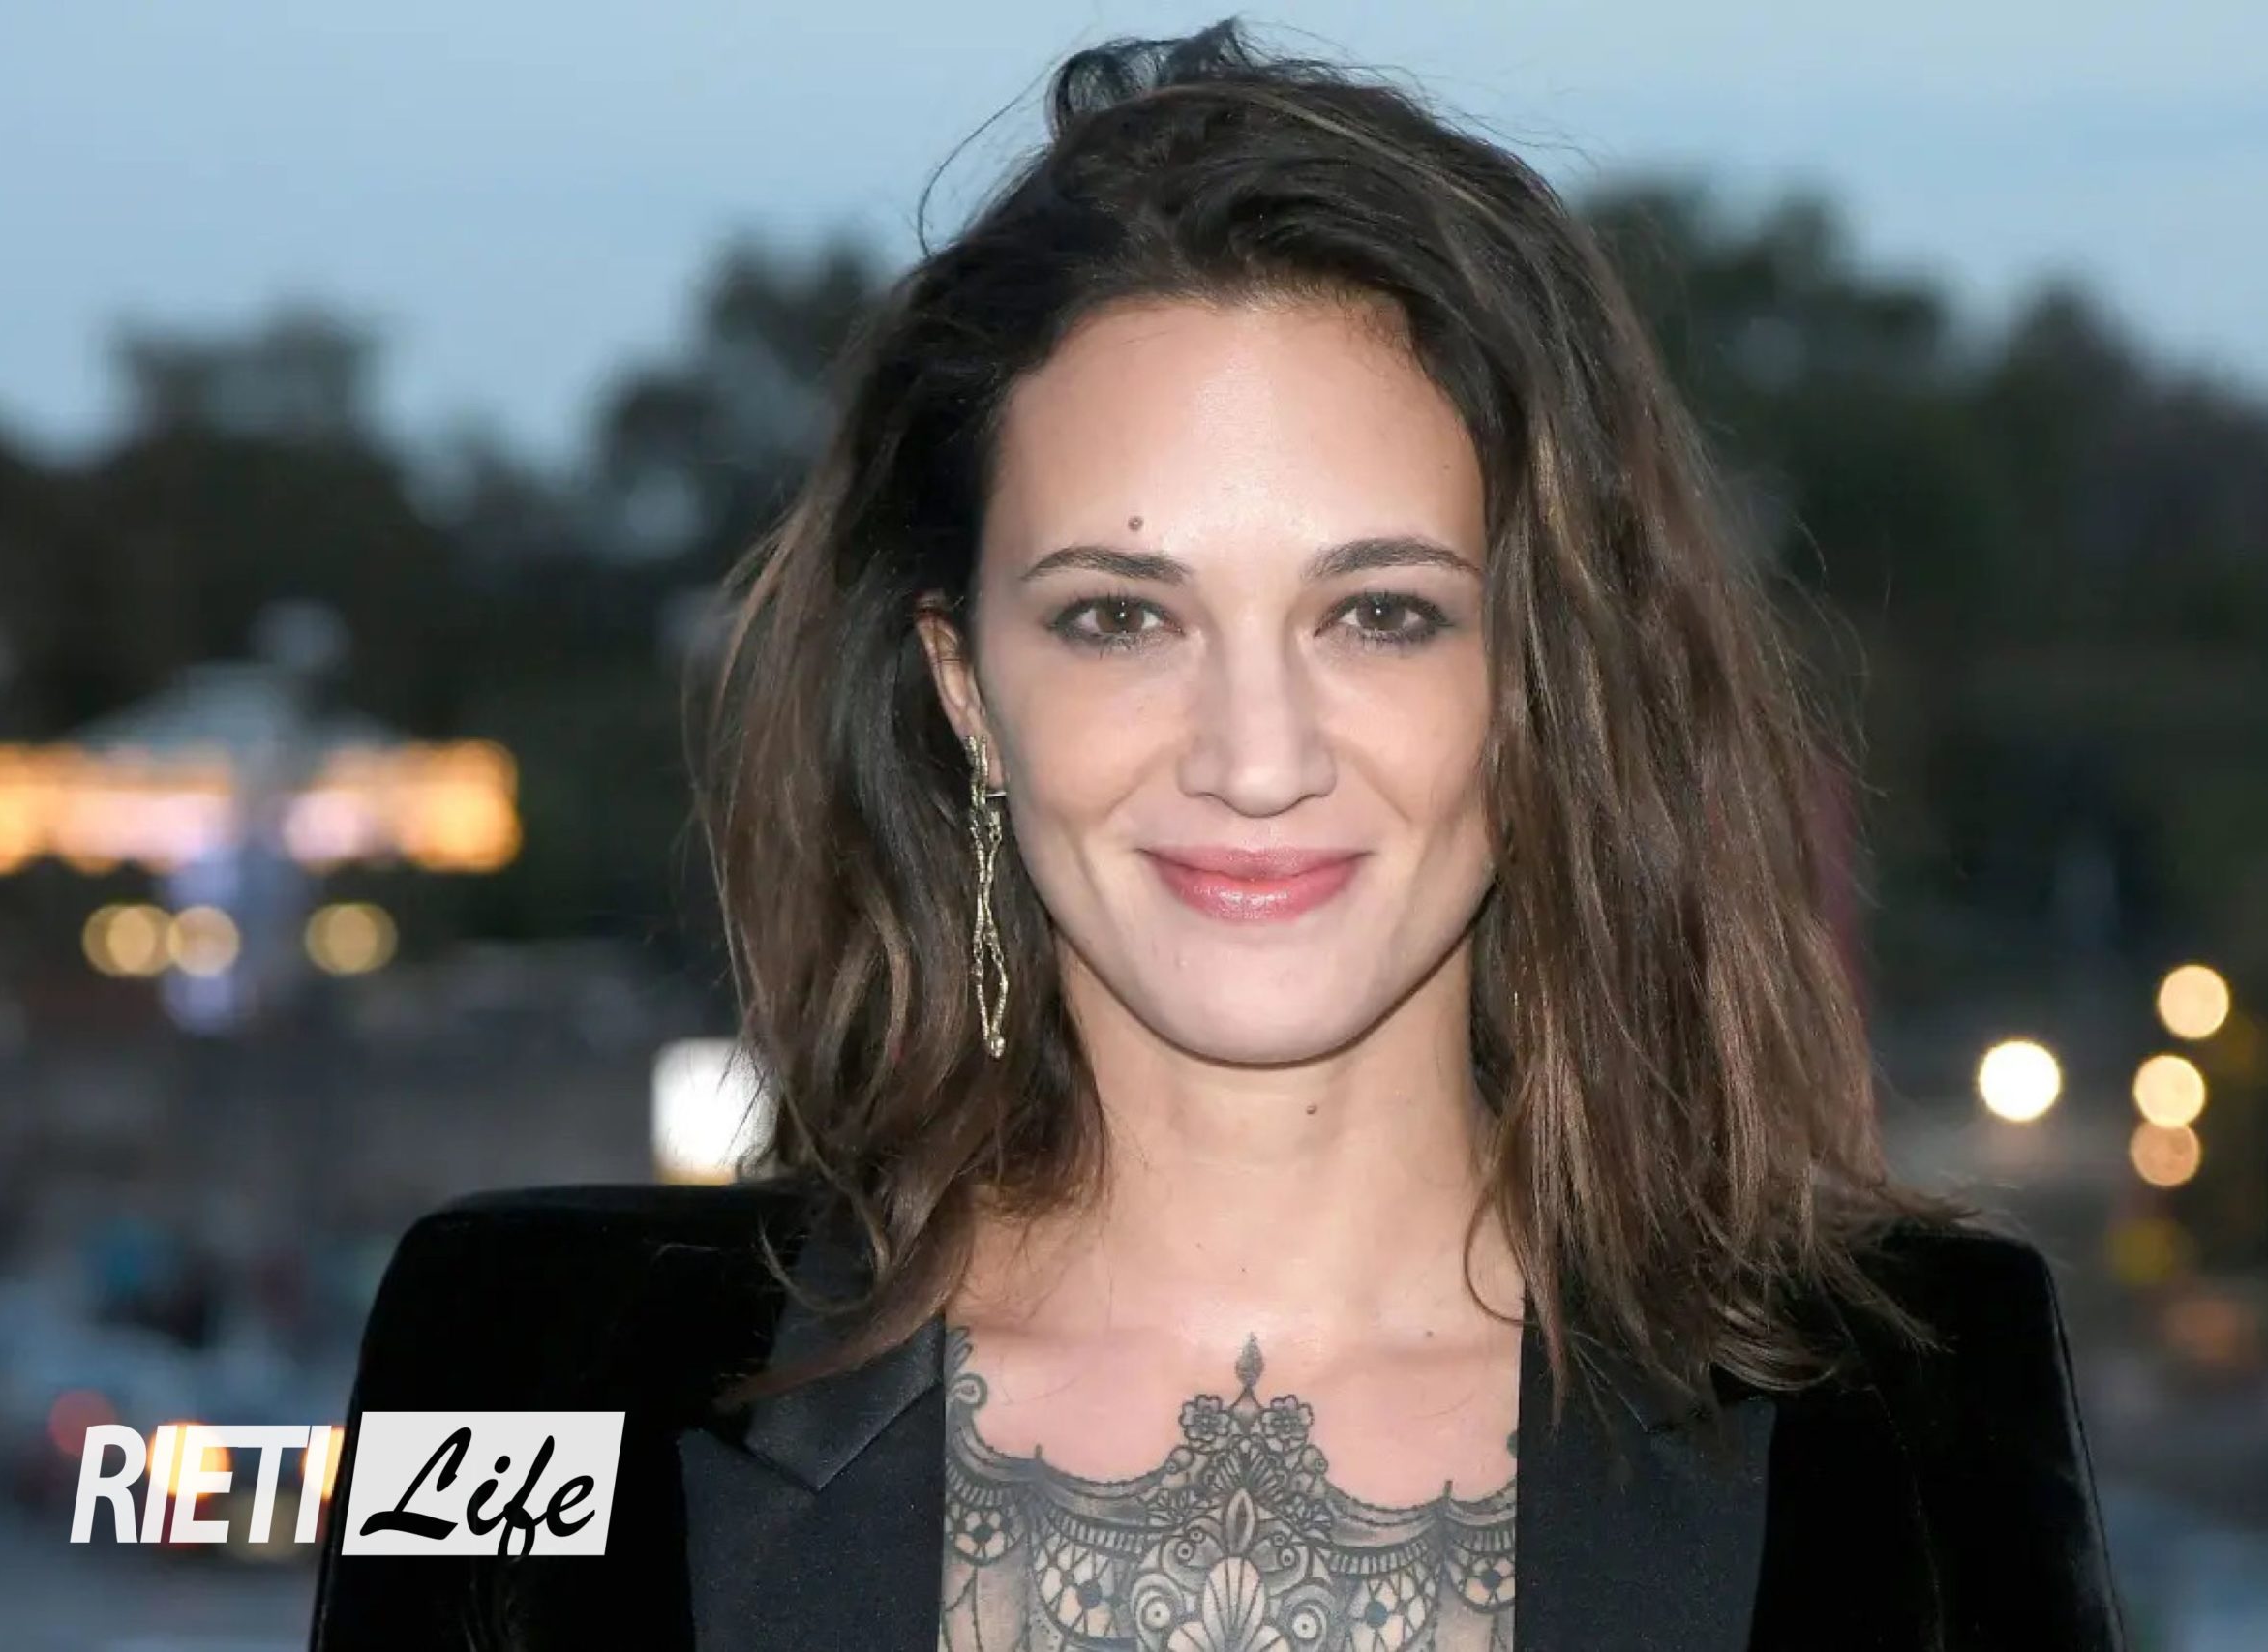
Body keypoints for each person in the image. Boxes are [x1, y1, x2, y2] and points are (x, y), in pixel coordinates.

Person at [311, 20, 2125, 1650]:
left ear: (1539, 675)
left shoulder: (1909, 1407)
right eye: (1121, 616)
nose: (1256, 759)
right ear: (964, 686)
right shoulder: (525, 1360)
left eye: (1381, 615)